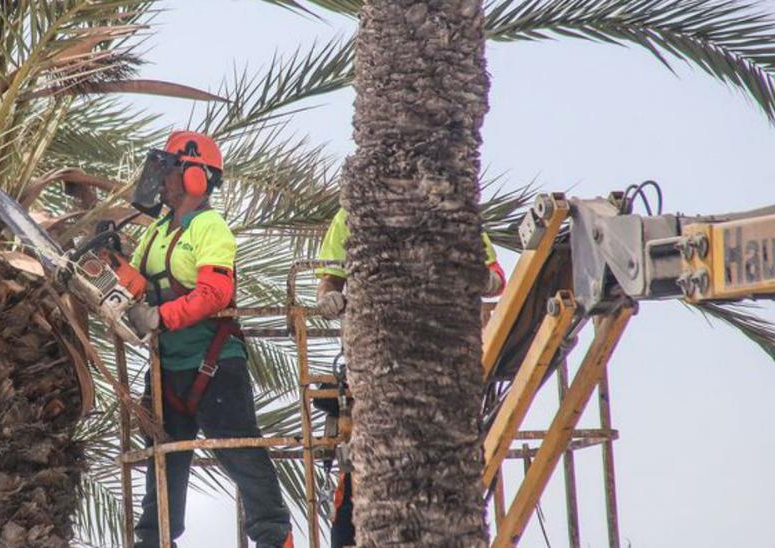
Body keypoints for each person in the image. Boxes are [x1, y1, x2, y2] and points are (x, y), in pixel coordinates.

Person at [124, 130, 293, 548]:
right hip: (167, 366)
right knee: (162, 460)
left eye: (169, 170)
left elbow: (214, 292)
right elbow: (137, 283)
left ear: (196, 177)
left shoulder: (210, 226)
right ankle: (154, 541)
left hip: (214, 365)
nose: (161, 180)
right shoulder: (157, 230)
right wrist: (107, 268)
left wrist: (160, 317)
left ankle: (275, 538)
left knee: (240, 450)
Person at [312, 206, 507, 547]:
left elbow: (496, 276)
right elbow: (329, 277)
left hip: (438, 372)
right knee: (363, 479)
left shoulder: (451, 208)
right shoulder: (353, 213)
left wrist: (483, 279)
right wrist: (328, 296)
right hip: (376, 370)